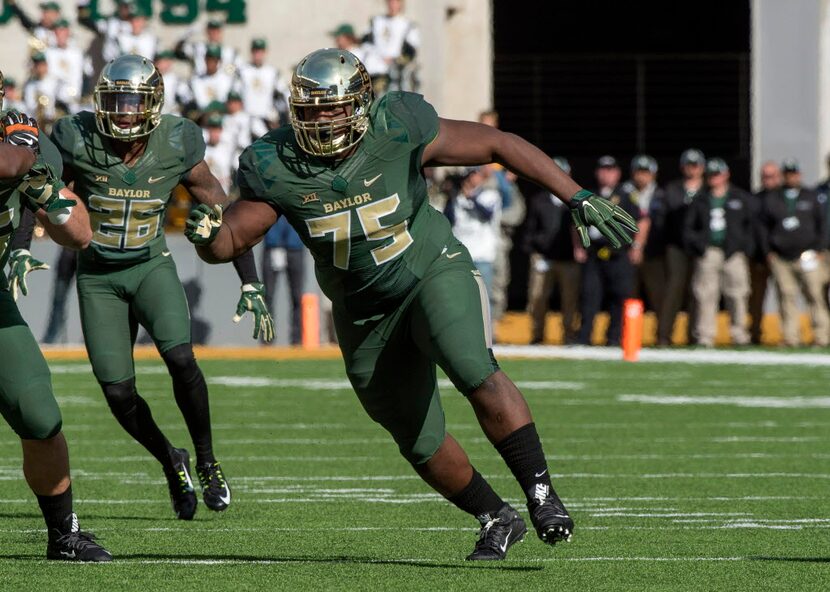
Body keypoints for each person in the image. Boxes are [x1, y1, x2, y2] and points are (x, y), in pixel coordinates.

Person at [184, 48, 637, 560]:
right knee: (416, 437)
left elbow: (499, 144)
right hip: (362, 310)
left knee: (471, 366)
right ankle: (496, 516)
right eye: (310, 109)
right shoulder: (275, 163)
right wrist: (206, 236)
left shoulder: (397, 125)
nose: (321, 119)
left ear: (359, 104)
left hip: (429, 270)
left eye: (332, 107)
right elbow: (231, 241)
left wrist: (575, 195)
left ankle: (540, 494)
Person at [25, 54, 274, 520]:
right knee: (117, 392)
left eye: (132, 102)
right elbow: (36, 188)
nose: (122, 112)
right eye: (114, 100)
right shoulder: (76, 137)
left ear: (153, 104)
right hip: (98, 276)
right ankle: (170, 459)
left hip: (150, 265)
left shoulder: (177, 142)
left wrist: (251, 282)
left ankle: (206, 460)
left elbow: (224, 212)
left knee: (181, 358)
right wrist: (23, 245)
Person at [0, 74, 111, 561]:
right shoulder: (17, 143)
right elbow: (10, 162)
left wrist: (48, 196)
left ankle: (64, 533)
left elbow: (81, 234)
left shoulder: (24, 140)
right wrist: (22, 155)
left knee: (38, 412)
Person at [759, 159, 829, 347]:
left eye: (794, 173)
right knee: (786, 296)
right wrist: (769, 251)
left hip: (808, 255)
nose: (791, 177)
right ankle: (791, 337)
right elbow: (764, 227)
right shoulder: (773, 197)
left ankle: (822, 336)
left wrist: (819, 249)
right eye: (788, 173)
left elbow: (822, 224)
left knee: (814, 294)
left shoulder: (811, 196)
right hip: (781, 257)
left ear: (799, 174)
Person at [684, 158, 753, 347]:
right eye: (711, 175)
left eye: (717, 174)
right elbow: (689, 227)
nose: (714, 179)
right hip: (709, 251)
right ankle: (705, 336)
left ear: (726, 175)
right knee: (705, 294)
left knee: (738, 294)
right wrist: (699, 246)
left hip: (733, 252)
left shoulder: (739, 197)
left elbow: (750, 225)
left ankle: (739, 334)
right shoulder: (700, 199)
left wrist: (744, 246)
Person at [576, 156, 643, 346]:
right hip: (594, 253)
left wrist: (637, 246)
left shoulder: (626, 194)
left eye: (610, 169)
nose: (606, 173)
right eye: (603, 169)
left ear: (618, 173)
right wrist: (578, 246)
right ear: (597, 172)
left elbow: (642, 220)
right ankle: (584, 337)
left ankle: (614, 338)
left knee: (619, 295)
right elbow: (575, 222)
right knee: (590, 296)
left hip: (618, 253)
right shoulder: (588, 194)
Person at [523, 156, 581, 344]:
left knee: (570, 299)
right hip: (544, 257)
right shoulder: (539, 200)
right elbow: (530, 229)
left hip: (568, 258)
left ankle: (569, 334)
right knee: (538, 298)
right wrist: (534, 251)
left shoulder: (576, 201)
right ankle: (537, 334)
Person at [658, 148, 705, 345]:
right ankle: (664, 335)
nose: (691, 170)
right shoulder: (673, 189)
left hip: (700, 247)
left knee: (698, 291)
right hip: (676, 246)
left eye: (695, 165)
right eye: (688, 165)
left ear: (701, 168)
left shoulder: (708, 190)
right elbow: (663, 219)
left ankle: (694, 335)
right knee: (674, 290)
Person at [443, 166, 502, 320]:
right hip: (461, 256)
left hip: (483, 256)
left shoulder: (490, 195)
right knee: (459, 297)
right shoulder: (456, 198)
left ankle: (487, 335)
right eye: (467, 177)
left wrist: (472, 197)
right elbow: (446, 219)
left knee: (483, 298)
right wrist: (450, 194)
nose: (469, 180)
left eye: (472, 175)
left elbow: (487, 214)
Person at [749, 161, 782, 344]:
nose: (767, 180)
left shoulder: (785, 198)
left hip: (781, 256)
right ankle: (755, 332)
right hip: (758, 257)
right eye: (765, 176)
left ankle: (789, 335)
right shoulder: (754, 199)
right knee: (755, 298)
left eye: (771, 176)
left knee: (785, 295)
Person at [262, 216, 306, 345]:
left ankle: (297, 340)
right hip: (272, 246)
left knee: (297, 296)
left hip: (295, 247)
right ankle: (267, 339)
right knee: (267, 296)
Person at [362, 0, 420, 94]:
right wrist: (377, 57)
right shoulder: (376, 21)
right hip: (376, 70)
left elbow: (411, 51)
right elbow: (366, 43)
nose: (392, 5)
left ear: (400, 4)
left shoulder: (408, 25)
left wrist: (394, 60)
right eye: (390, 2)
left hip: (397, 74)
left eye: (395, 2)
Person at [236, 38, 289, 128]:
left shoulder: (272, 72)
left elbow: (285, 92)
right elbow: (235, 94)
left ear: (265, 52)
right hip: (246, 118)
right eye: (255, 51)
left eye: (260, 51)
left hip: (266, 120)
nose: (258, 55)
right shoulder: (242, 71)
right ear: (251, 52)